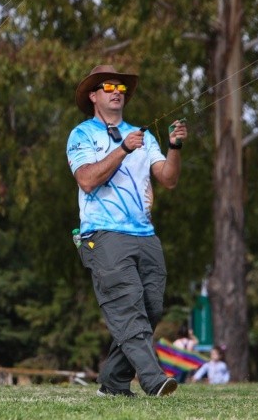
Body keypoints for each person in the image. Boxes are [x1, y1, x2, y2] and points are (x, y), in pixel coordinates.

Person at [66, 65, 188, 398]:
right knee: (128, 307)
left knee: (150, 309)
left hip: (145, 236)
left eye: (121, 87)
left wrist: (175, 147)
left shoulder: (143, 136)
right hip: (103, 235)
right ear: (94, 96)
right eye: (108, 86)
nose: (116, 91)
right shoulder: (82, 135)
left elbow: (168, 179)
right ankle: (153, 379)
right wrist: (122, 150)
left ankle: (113, 383)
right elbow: (87, 179)